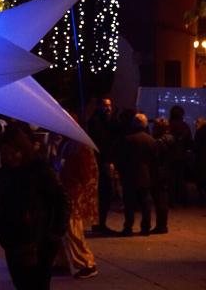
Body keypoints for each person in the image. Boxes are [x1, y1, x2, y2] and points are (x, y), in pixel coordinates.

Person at [0, 126, 69, 290]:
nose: (8, 157)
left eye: (12, 153)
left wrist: (56, 231)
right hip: (14, 239)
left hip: (39, 239)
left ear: (21, 149)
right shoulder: (5, 173)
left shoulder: (39, 169)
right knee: (21, 283)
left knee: (37, 284)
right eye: (4, 154)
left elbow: (61, 199)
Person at [59, 131, 99, 279]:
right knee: (65, 229)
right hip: (68, 191)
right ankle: (63, 262)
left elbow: (86, 175)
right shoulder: (68, 143)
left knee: (73, 229)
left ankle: (86, 263)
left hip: (74, 194)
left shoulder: (80, 146)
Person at [114, 113, 156, 236]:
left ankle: (128, 227)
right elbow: (154, 160)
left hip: (129, 175)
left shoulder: (127, 140)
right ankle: (145, 227)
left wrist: (121, 171)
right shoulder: (151, 140)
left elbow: (120, 158)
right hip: (145, 175)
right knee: (145, 203)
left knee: (129, 203)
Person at [86, 97, 118, 234]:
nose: (108, 108)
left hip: (104, 160)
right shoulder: (96, 121)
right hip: (101, 161)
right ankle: (99, 224)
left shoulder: (106, 120)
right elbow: (102, 143)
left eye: (110, 105)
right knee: (104, 191)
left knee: (105, 192)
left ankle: (100, 223)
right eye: (105, 105)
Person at [151, 118, 174, 234]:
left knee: (159, 199)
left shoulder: (159, 142)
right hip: (168, 171)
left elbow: (155, 158)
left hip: (159, 172)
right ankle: (162, 225)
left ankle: (161, 226)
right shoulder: (171, 139)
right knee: (163, 199)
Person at [167, 106, 192, 206]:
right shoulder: (185, 126)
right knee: (181, 178)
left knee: (171, 179)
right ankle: (182, 200)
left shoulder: (168, 125)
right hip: (182, 156)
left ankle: (172, 200)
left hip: (170, 155)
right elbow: (189, 143)